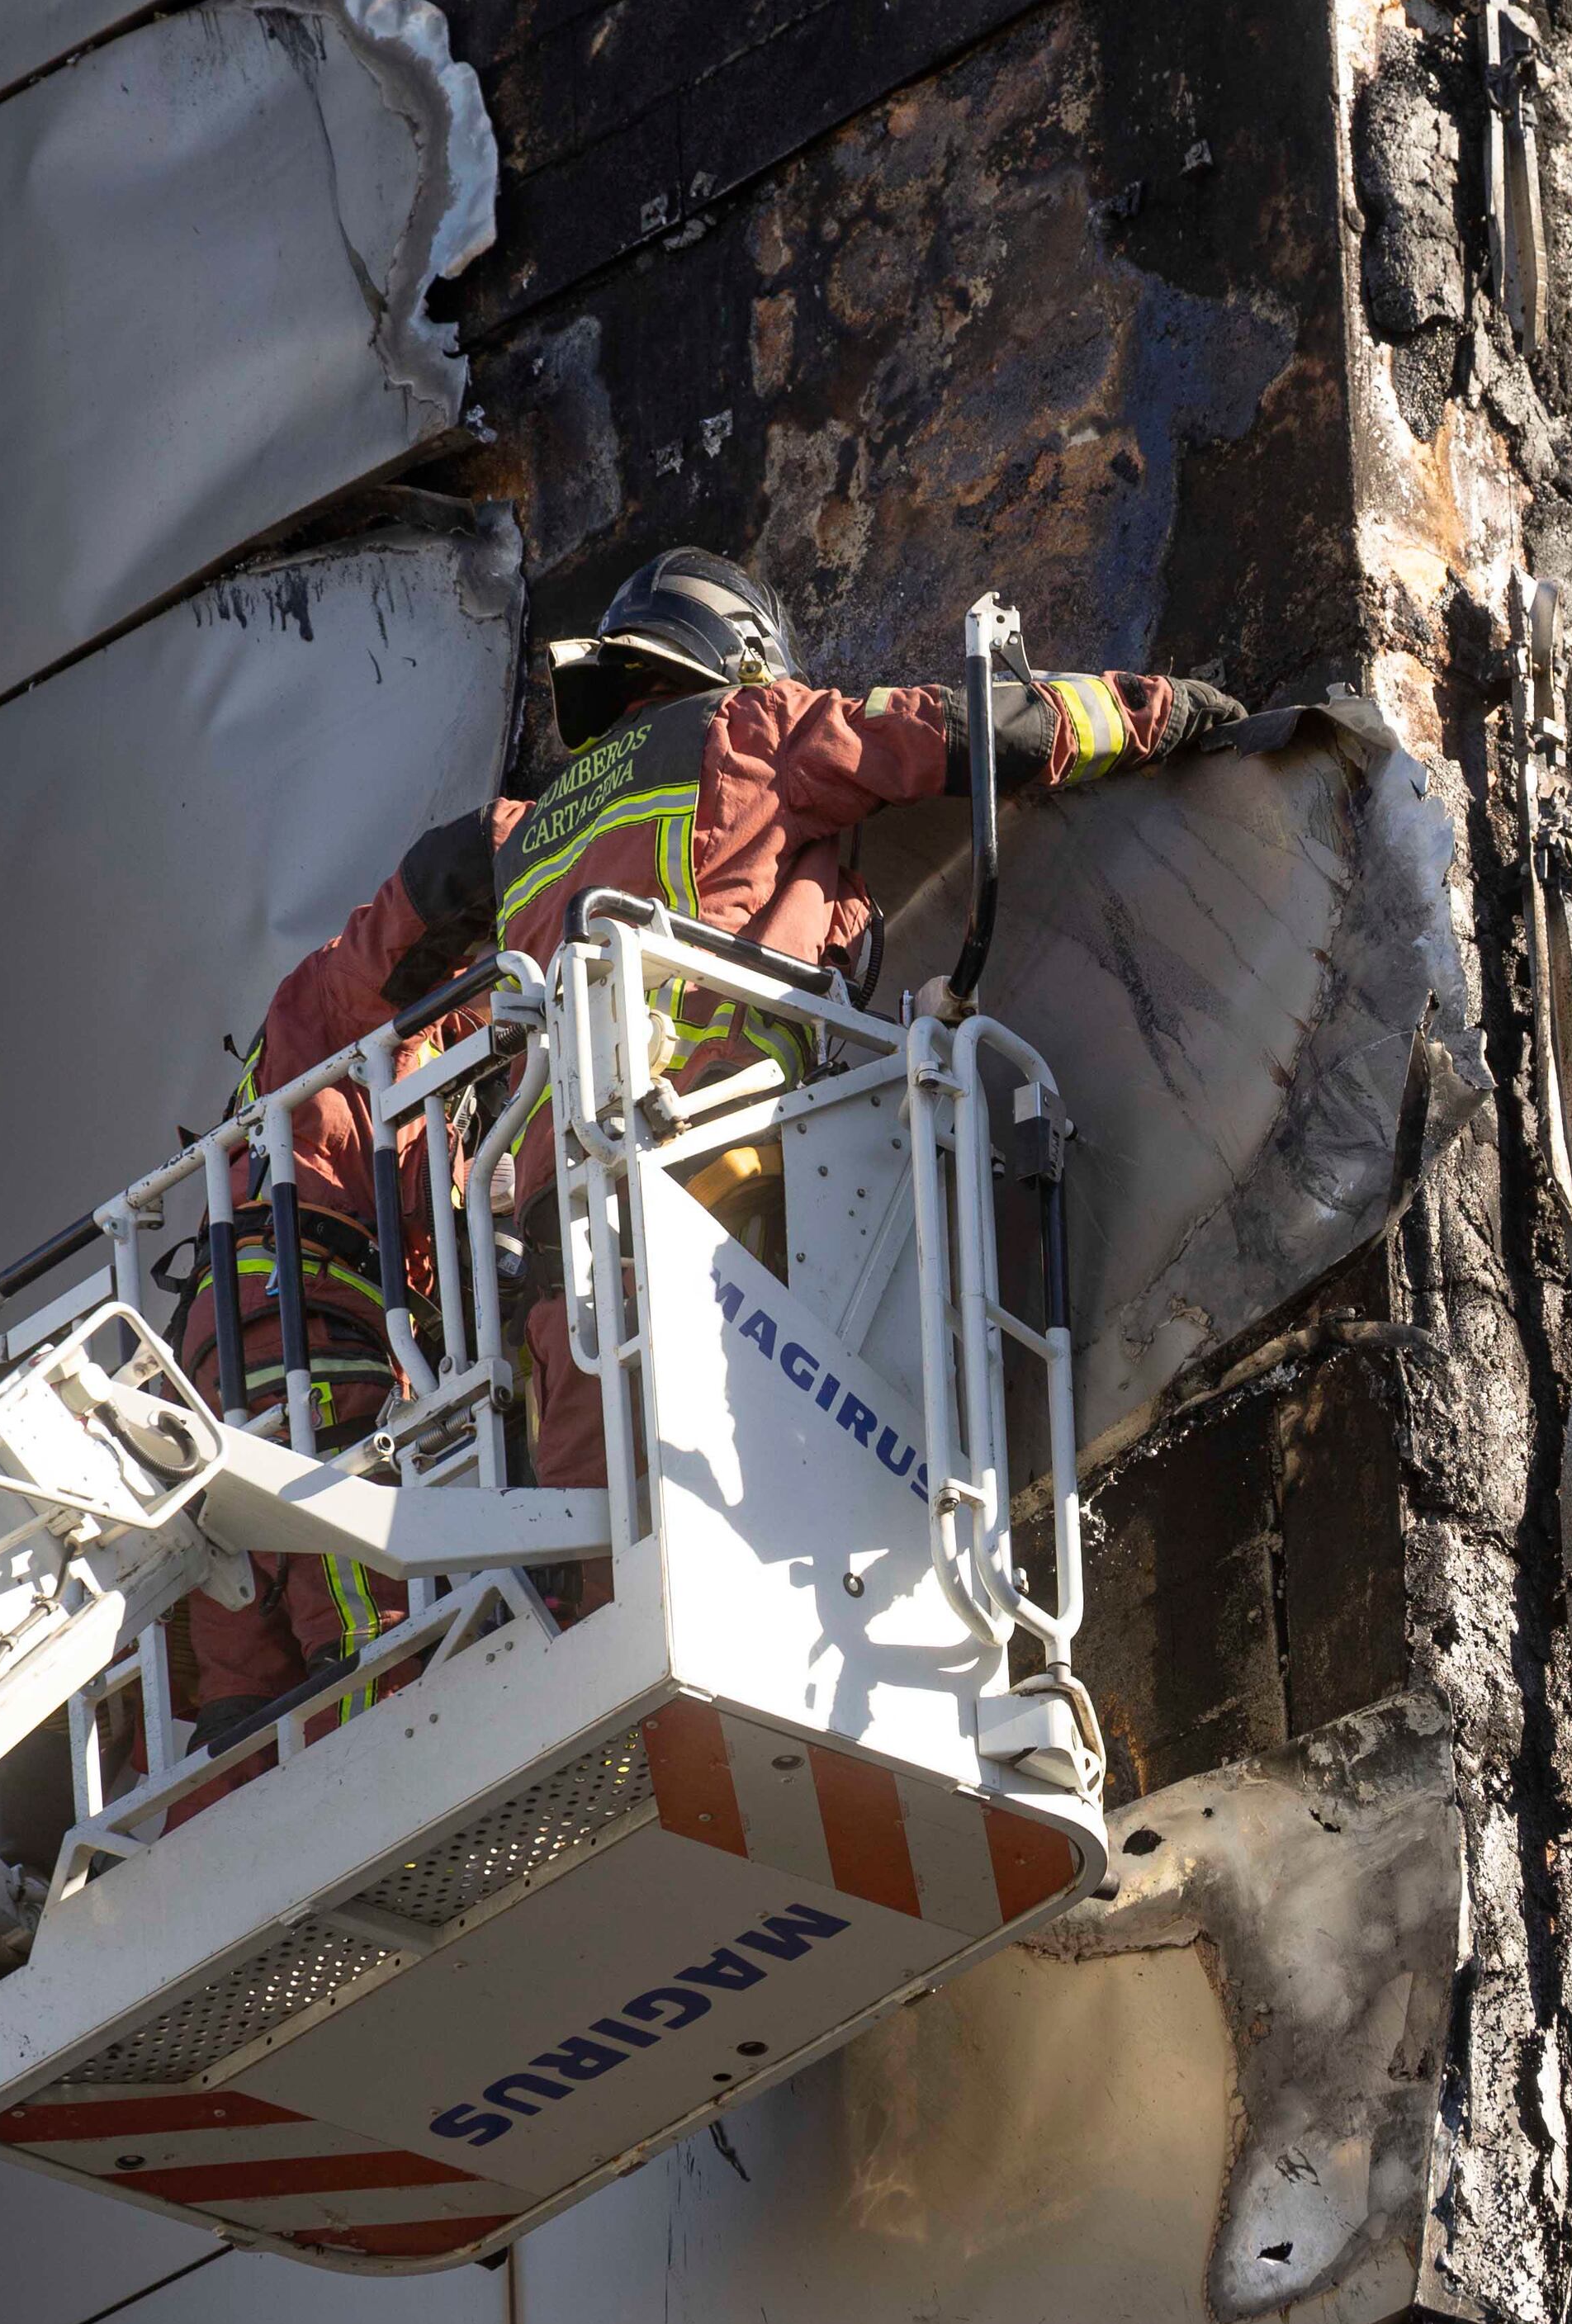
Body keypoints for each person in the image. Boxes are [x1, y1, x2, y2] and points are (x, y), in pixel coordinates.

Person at [180, 547, 1238, 1706]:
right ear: (737, 657)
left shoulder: (522, 834)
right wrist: (1177, 711)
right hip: (724, 1180)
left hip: (565, 1256)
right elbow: (985, 730)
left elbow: (369, 961)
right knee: (789, 1497)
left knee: (611, 1595)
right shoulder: (752, 730)